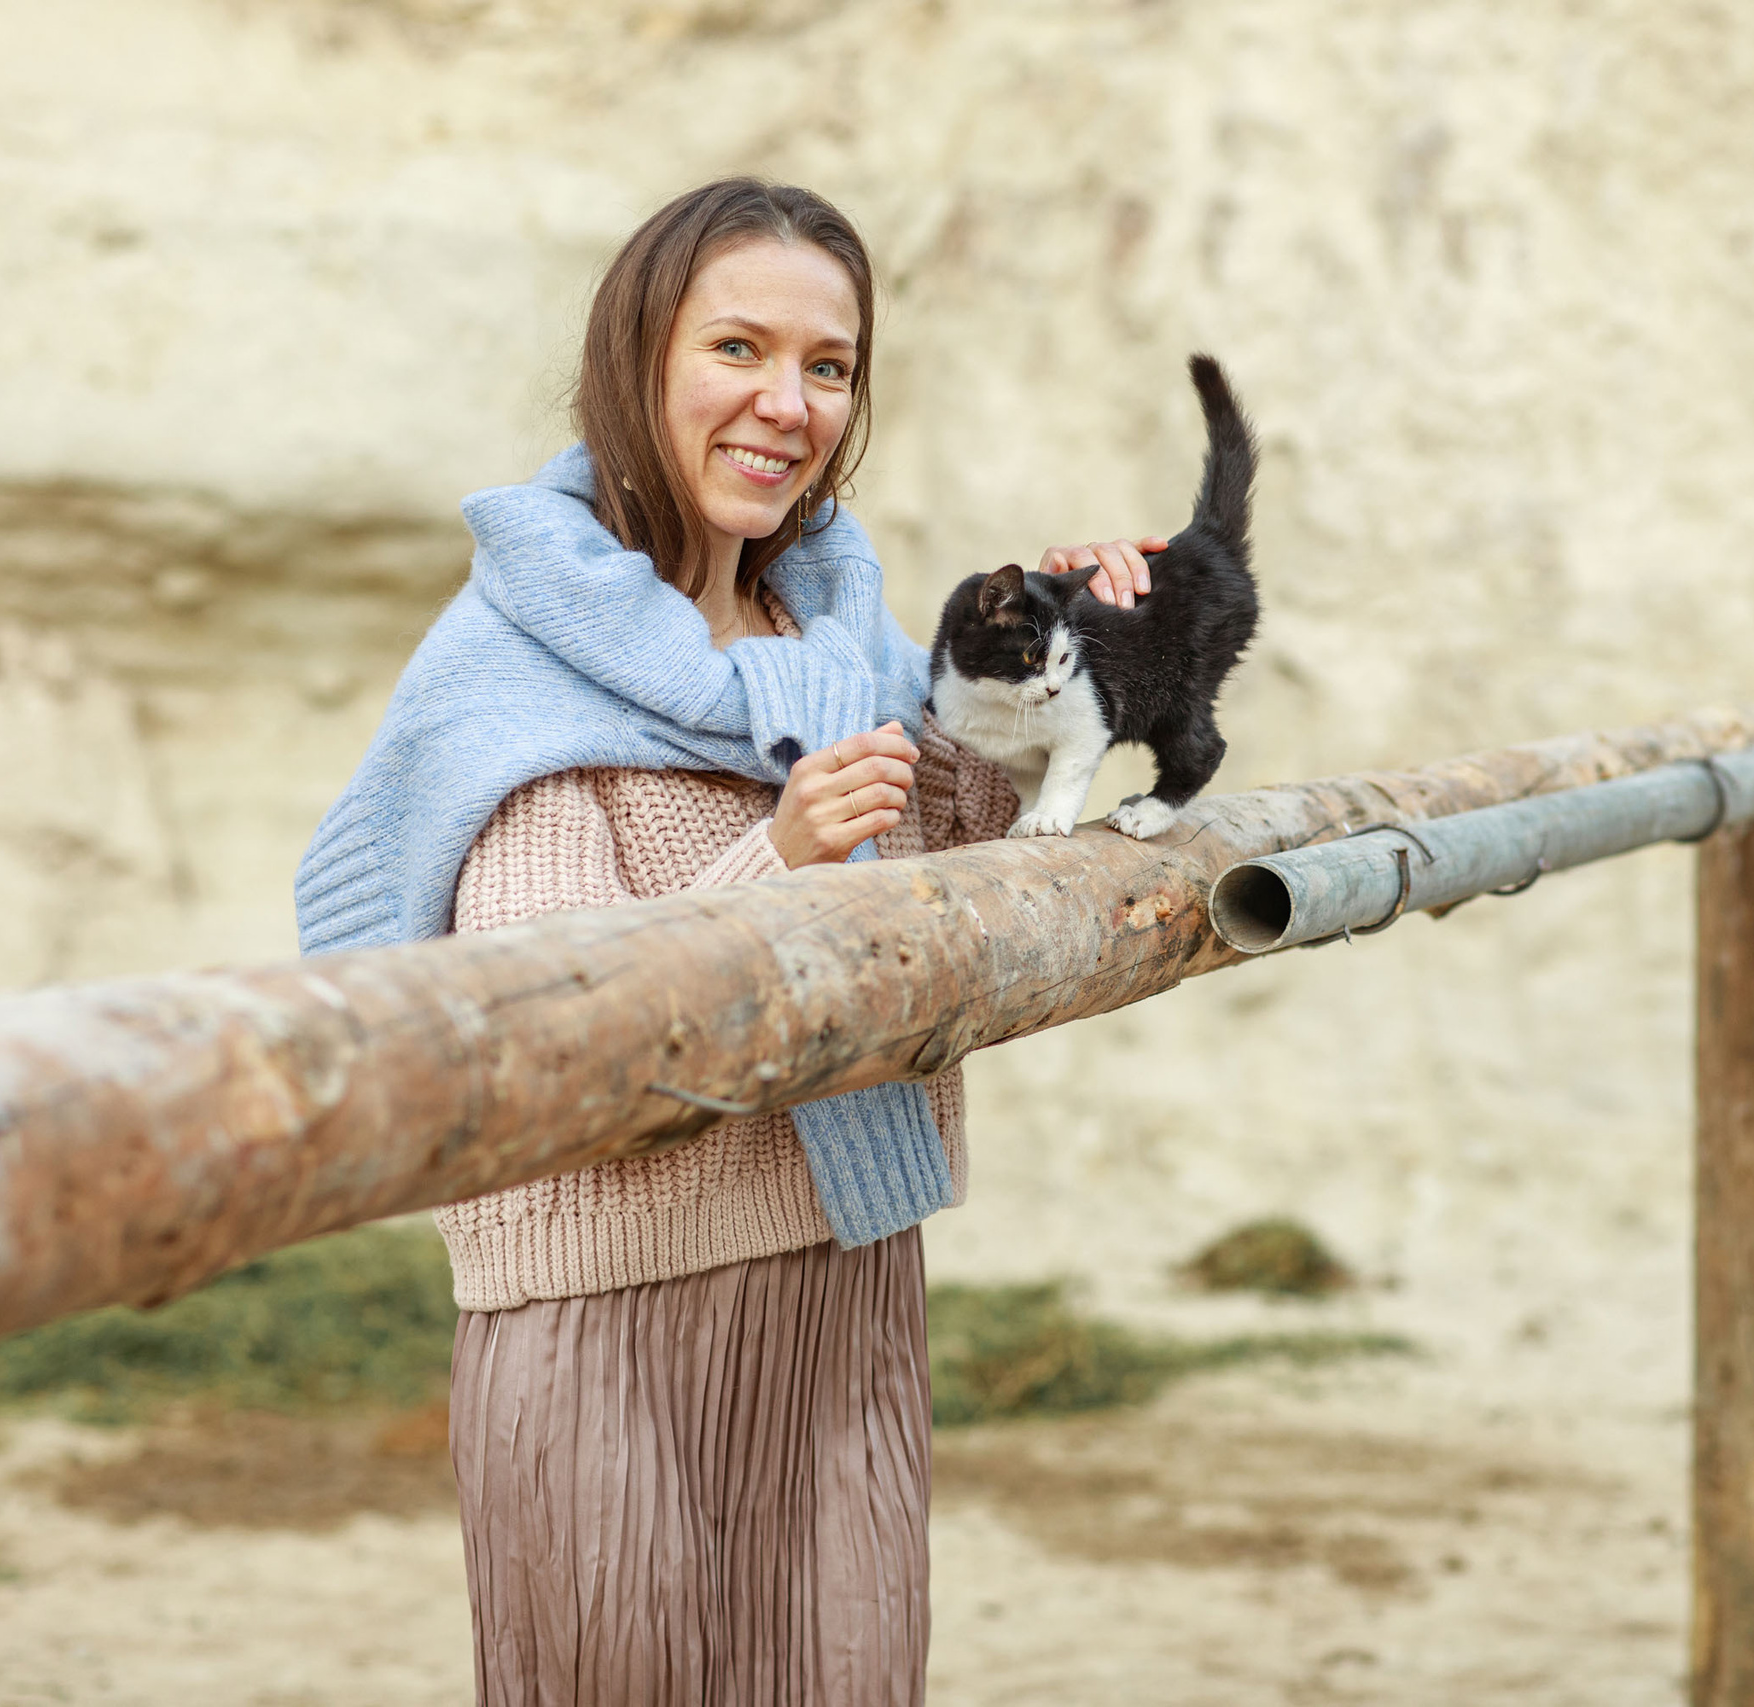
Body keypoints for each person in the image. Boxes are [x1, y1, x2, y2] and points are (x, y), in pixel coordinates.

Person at [294, 177, 1164, 1704]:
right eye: (739, 348)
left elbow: (987, 834)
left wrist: (1081, 631)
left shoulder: (841, 641)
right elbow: (546, 1029)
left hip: (846, 1286)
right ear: (637, 359)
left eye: (829, 366)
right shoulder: (512, 671)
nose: (789, 404)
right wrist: (782, 855)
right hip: (612, 1314)